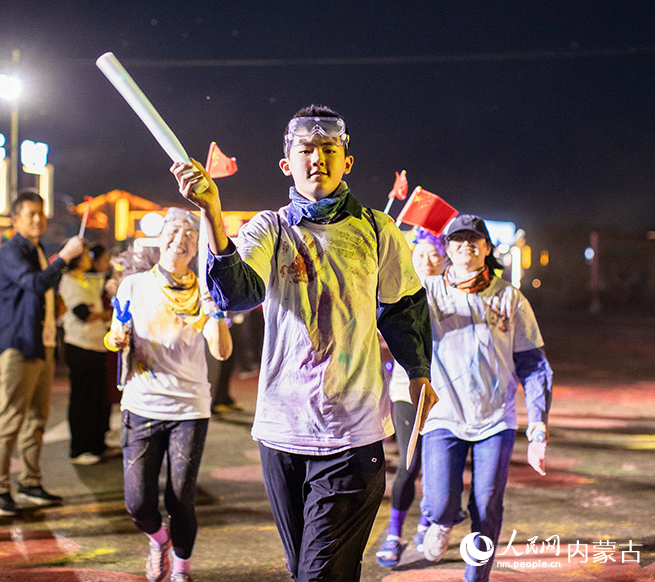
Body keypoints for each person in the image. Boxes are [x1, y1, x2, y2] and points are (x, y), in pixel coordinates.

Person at [171, 105, 437, 581]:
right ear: (286, 164)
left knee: (317, 575)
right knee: (310, 571)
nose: (318, 159)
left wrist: (419, 372)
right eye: (306, 150)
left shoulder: (378, 229)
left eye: (329, 150)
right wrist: (211, 212)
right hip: (281, 433)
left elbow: (405, 308)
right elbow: (235, 292)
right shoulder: (269, 228)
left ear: (347, 161)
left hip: (352, 435)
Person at [418, 214, 552, 582]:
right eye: (457, 239)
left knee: (487, 505)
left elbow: (534, 365)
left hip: (496, 420)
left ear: (487, 248)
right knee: (441, 500)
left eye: (474, 239)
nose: (466, 245)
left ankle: (476, 577)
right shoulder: (429, 293)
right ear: (446, 248)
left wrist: (538, 424)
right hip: (443, 417)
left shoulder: (510, 298)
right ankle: (441, 520)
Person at [106, 208, 233, 582]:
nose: (181, 238)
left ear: (197, 247)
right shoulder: (134, 285)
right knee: (138, 503)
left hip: (189, 409)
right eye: (174, 230)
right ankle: (158, 540)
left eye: (190, 235)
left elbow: (222, 352)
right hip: (141, 404)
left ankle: (181, 568)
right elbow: (117, 334)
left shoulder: (206, 291)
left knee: (180, 499)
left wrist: (216, 313)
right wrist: (116, 338)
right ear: (160, 237)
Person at [0, 189, 84, 516]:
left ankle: (30, 482)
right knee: (11, 417)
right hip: (18, 344)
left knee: (37, 419)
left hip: (41, 343)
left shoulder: (37, 249)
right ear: (16, 219)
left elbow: (40, 291)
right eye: (30, 214)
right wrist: (64, 258)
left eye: (41, 213)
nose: (38, 219)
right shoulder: (12, 251)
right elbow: (34, 283)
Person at [376, 228, 448, 567]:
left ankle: (426, 522)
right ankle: (394, 533)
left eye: (434, 255)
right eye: (420, 255)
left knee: (438, 467)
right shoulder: (399, 294)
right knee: (410, 461)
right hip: (407, 389)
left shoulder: (452, 292)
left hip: (447, 393)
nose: (428, 261)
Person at [59, 244, 113, 465]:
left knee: (99, 399)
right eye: (83, 255)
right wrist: (106, 315)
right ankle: (80, 448)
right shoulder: (69, 281)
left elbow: (106, 279)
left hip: (98, 345)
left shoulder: (88, 279)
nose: (88, 258)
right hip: (80, 346)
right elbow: (83, 313)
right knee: (83, 399)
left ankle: (97, 444)